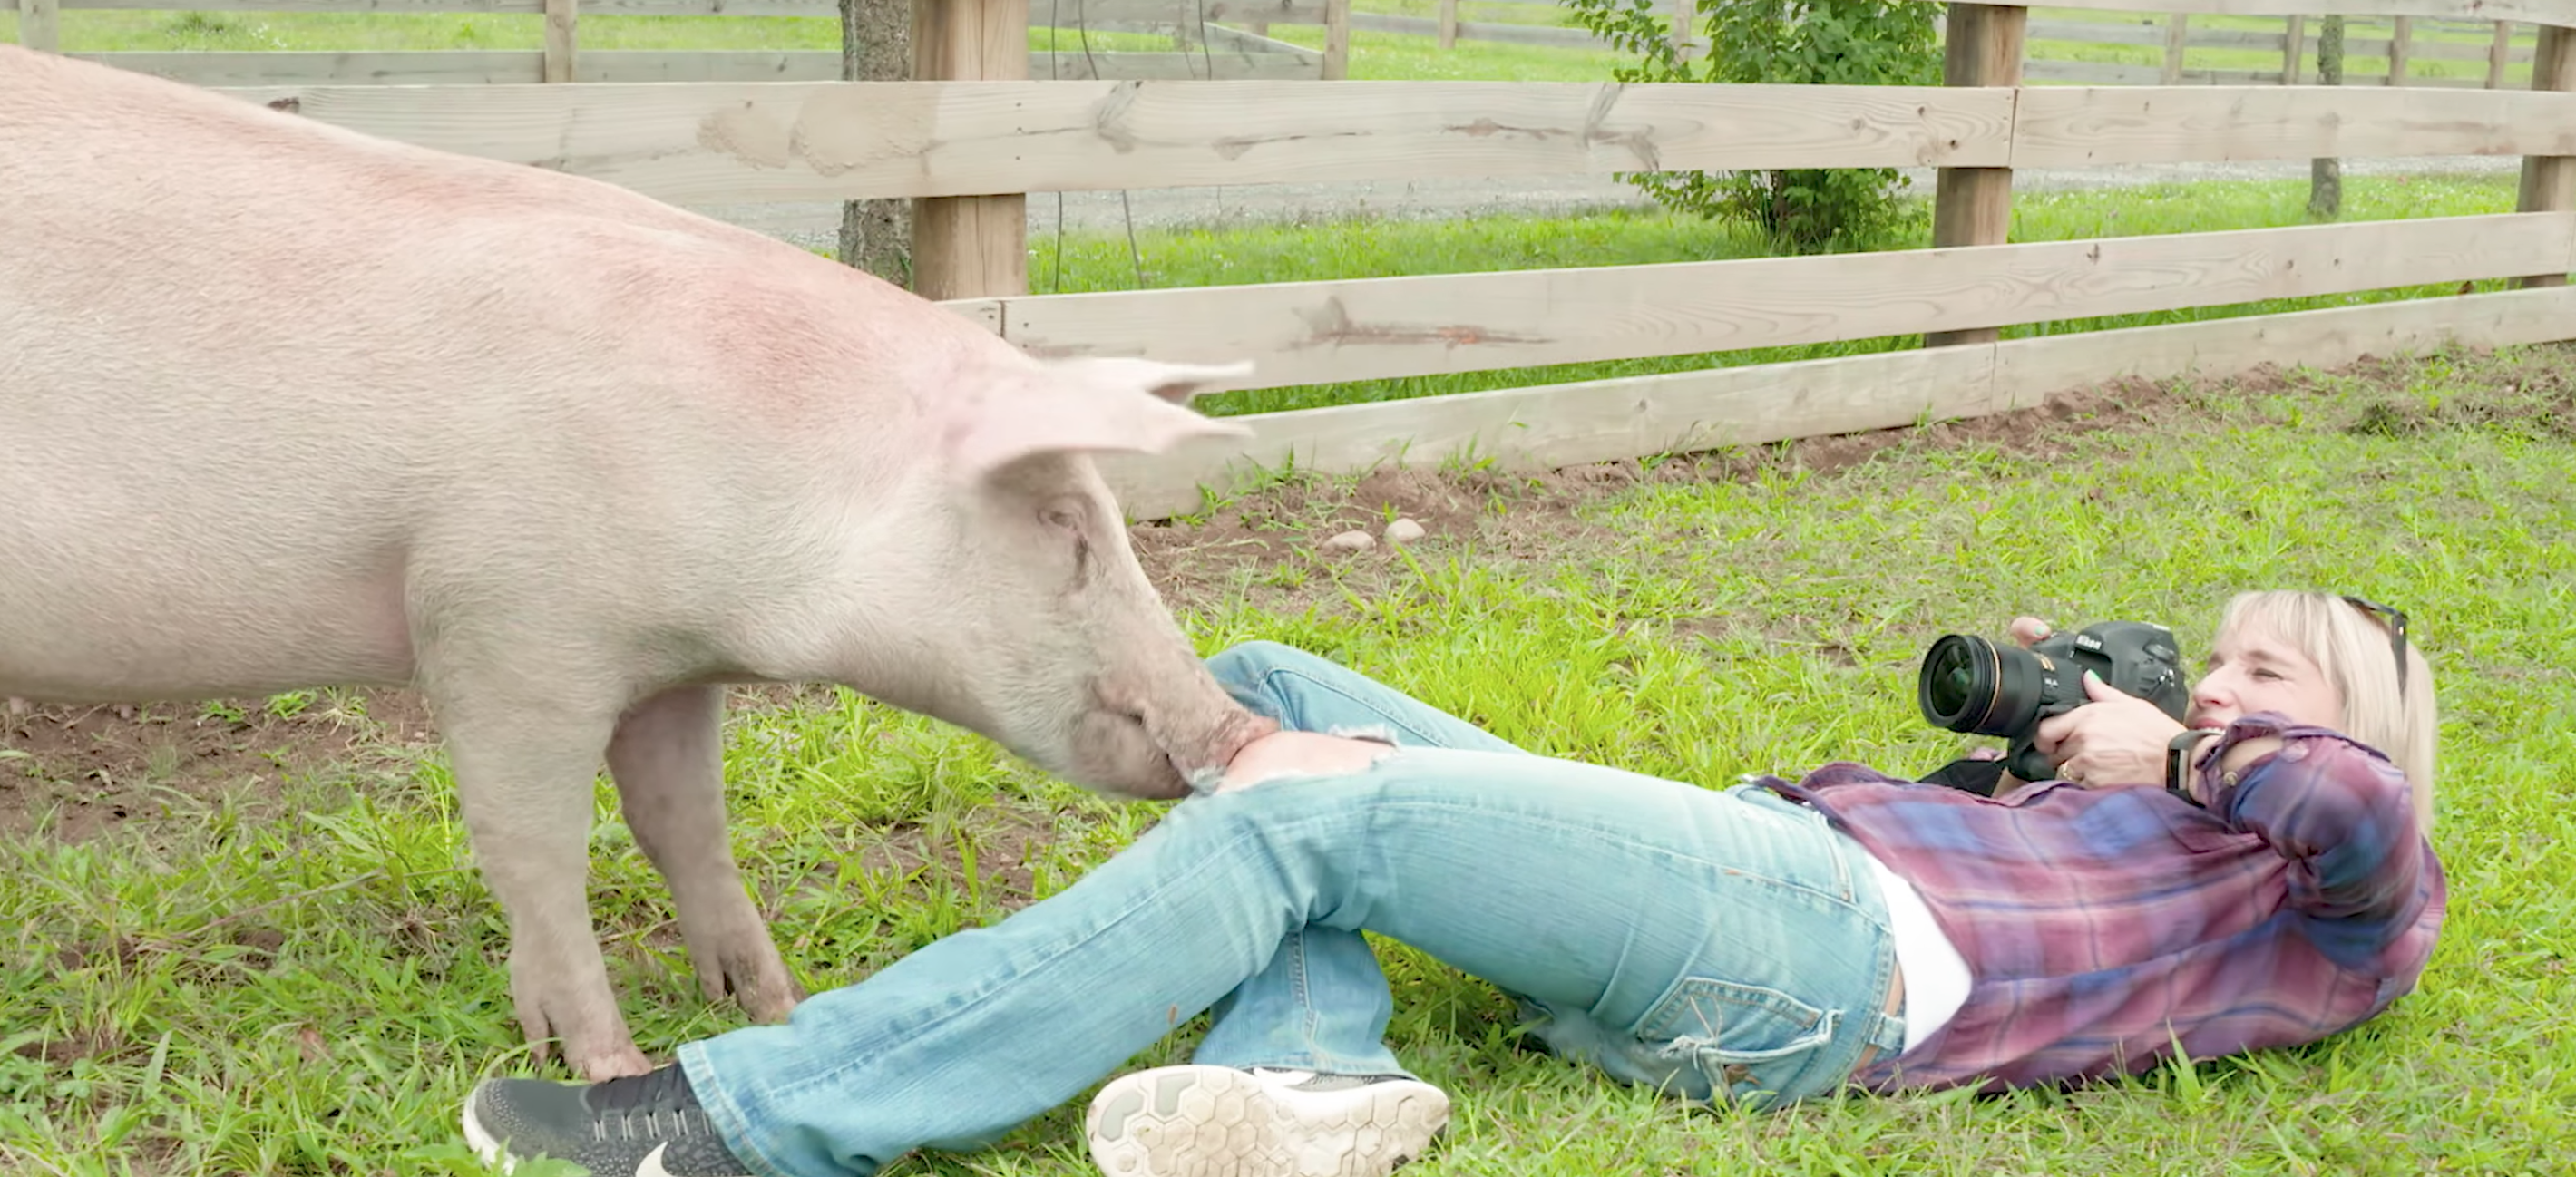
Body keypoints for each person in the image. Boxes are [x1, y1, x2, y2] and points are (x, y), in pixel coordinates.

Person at [458, 590, 2444, 1177]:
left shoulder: (2332, 883)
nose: (2221, 681)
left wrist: (2180, 747)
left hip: (1832, 955)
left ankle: (741, 1121)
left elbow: (2353, 823)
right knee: (1278, 699)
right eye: (2216, 658)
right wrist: (2038, 739)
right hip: (1763, 864)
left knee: (1300, 810)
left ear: (2358, 729)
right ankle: (1311, 1079)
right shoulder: (2122, 807)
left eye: (2277, 671)